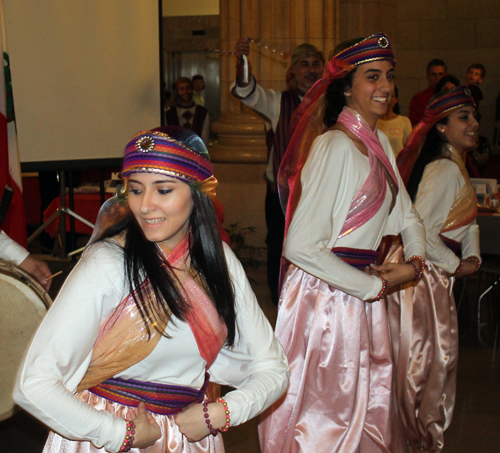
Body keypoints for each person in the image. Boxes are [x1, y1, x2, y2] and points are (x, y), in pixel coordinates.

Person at [14, 127, 289, 453]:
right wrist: (118, 433)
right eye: (135, 190)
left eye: (163, 190)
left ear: (197, 192)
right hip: (107, 439)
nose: (144, 206)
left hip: (191, 437)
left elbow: (273, 369)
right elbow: (33, 384)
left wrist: (220, 412)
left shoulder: (219, 263)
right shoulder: (109, 262)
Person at [258, 32, 426, 453]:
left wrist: (416, 261)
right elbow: (299, 245)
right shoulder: (333, 145)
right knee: (328, 419)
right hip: (327, 299)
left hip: (358, 291)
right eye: (372, 77)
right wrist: (378, 286)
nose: (385, 86)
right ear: (346, 87)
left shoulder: (381, 141)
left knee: (365, 410)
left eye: (389, 75)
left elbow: (407, 215)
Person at [391, 86, 481, 453]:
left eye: (474, 116)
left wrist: (470, 255)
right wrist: (456, 264)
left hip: (425, 274)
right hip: (421, 277)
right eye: (465, 117)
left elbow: (463, 223)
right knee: (424, 364)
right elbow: (422, 231)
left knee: (425, 364)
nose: (475, 123)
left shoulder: (453, 164)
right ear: (441, 127)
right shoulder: (444, 168)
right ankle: (414, 439)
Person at [232, 39, 325, 305]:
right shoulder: (277, 102)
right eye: (303, 64)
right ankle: (281, 301)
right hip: (281, 197)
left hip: (320, 194)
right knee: (279, 246)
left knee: (318, 246)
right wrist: (243, 62)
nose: (310, 70)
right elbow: (246, 92)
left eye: (316, 64)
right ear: (293, 71)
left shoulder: (332, 104)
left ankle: (314, 299)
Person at [166, 78, 210, 146]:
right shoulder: (170, 114)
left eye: (188, 88)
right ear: (177, 91)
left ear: (192, 89)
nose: (185, 92)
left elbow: (204, 140)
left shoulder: (202, 113)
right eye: (181, 89)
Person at [409, 59, 447, 126]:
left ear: (445, 75)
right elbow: (415, 125)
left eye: (440, 74)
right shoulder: (419, 99)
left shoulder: (451, 96)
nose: (438, 78)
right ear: (428, 76)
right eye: (434, 75)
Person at [377, 86, 412, 156]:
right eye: (385, 96)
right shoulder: (373, 122)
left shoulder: (404, 121)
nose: (388, 100)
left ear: (396, 100)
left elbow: (410, 148)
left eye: (391, 97)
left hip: (399, 164)